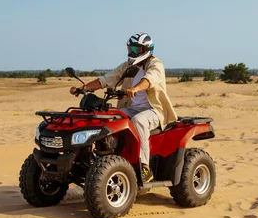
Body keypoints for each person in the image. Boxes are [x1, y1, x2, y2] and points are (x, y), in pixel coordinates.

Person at [69, 32, 177, 182]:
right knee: (110, 117)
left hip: (153, 111)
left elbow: (149, 79)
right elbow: (107, 79)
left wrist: (135, 88)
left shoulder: (155, 64)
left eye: (136, 50)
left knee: (139, 121)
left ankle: (144, 166)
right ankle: (107, 155)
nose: (131, 53)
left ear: (146, 50)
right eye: (130, 49)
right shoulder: (128, 66)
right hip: (132, 108)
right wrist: (84, 88)